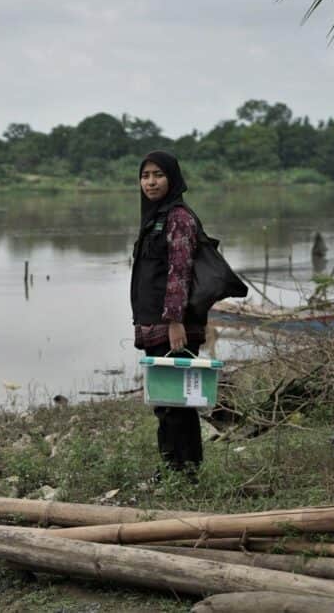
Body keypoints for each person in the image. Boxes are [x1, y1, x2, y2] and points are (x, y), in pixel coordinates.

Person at [130, 150, 208, 478]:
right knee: (167, 400)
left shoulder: (178, 217)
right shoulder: (155, 217)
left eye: (158, 175)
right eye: (145, 175)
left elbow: (180, 272)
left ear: (172, 179)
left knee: (175, 402)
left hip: (174, 326)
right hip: (155, 324)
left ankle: (182, 469)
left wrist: (175, 322)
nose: (151, 182)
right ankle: (177, 466)